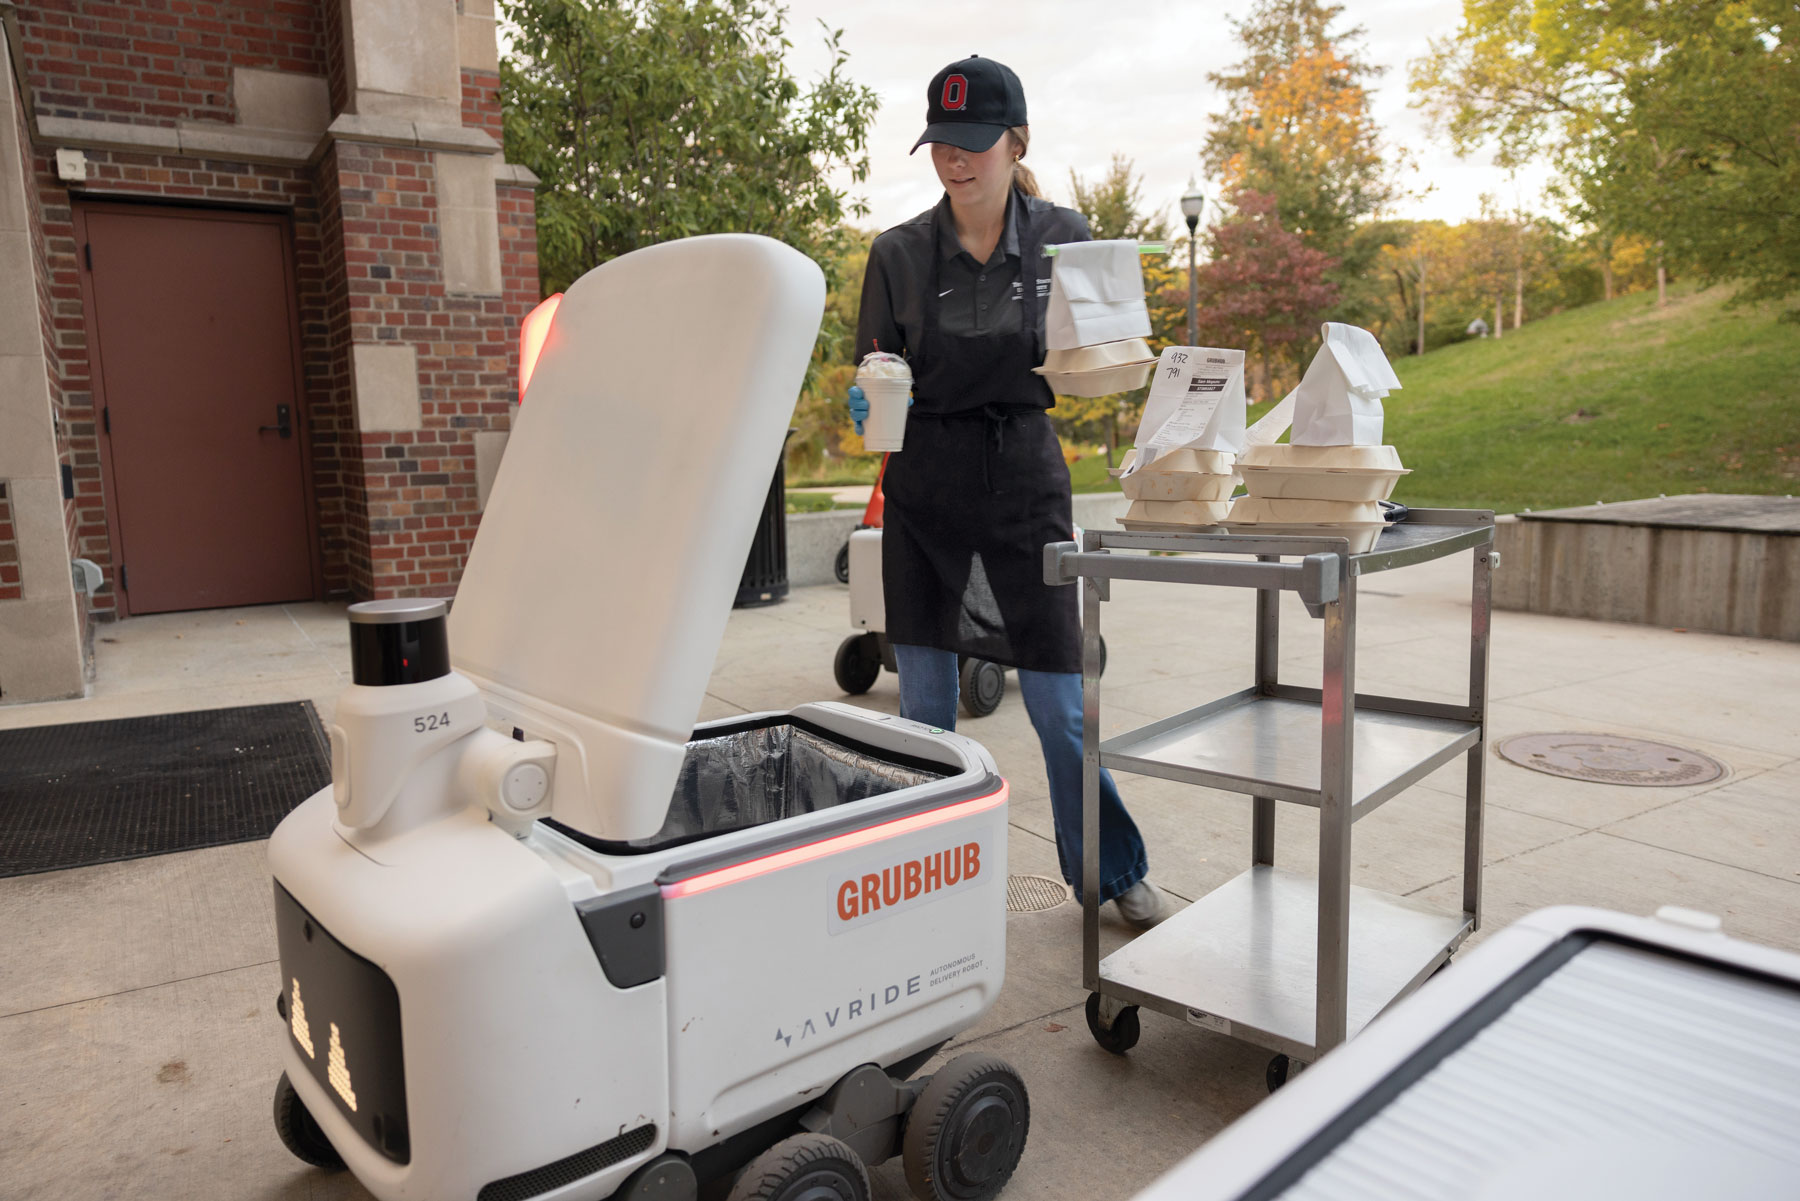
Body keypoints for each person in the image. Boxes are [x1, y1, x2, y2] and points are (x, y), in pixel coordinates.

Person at [848, 56, 1165, 927]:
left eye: (975, 142)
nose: (955, 159)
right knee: (924, 712)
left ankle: (1109, 868)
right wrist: (868, 394)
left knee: (1061, 705)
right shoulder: (897, 253)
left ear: (1017, 142)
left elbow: (1101, 354)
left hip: (1025, 475)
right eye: (941, 142)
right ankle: (924, 882)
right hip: (925, 484)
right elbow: (876, 366)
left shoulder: (1065, 236)